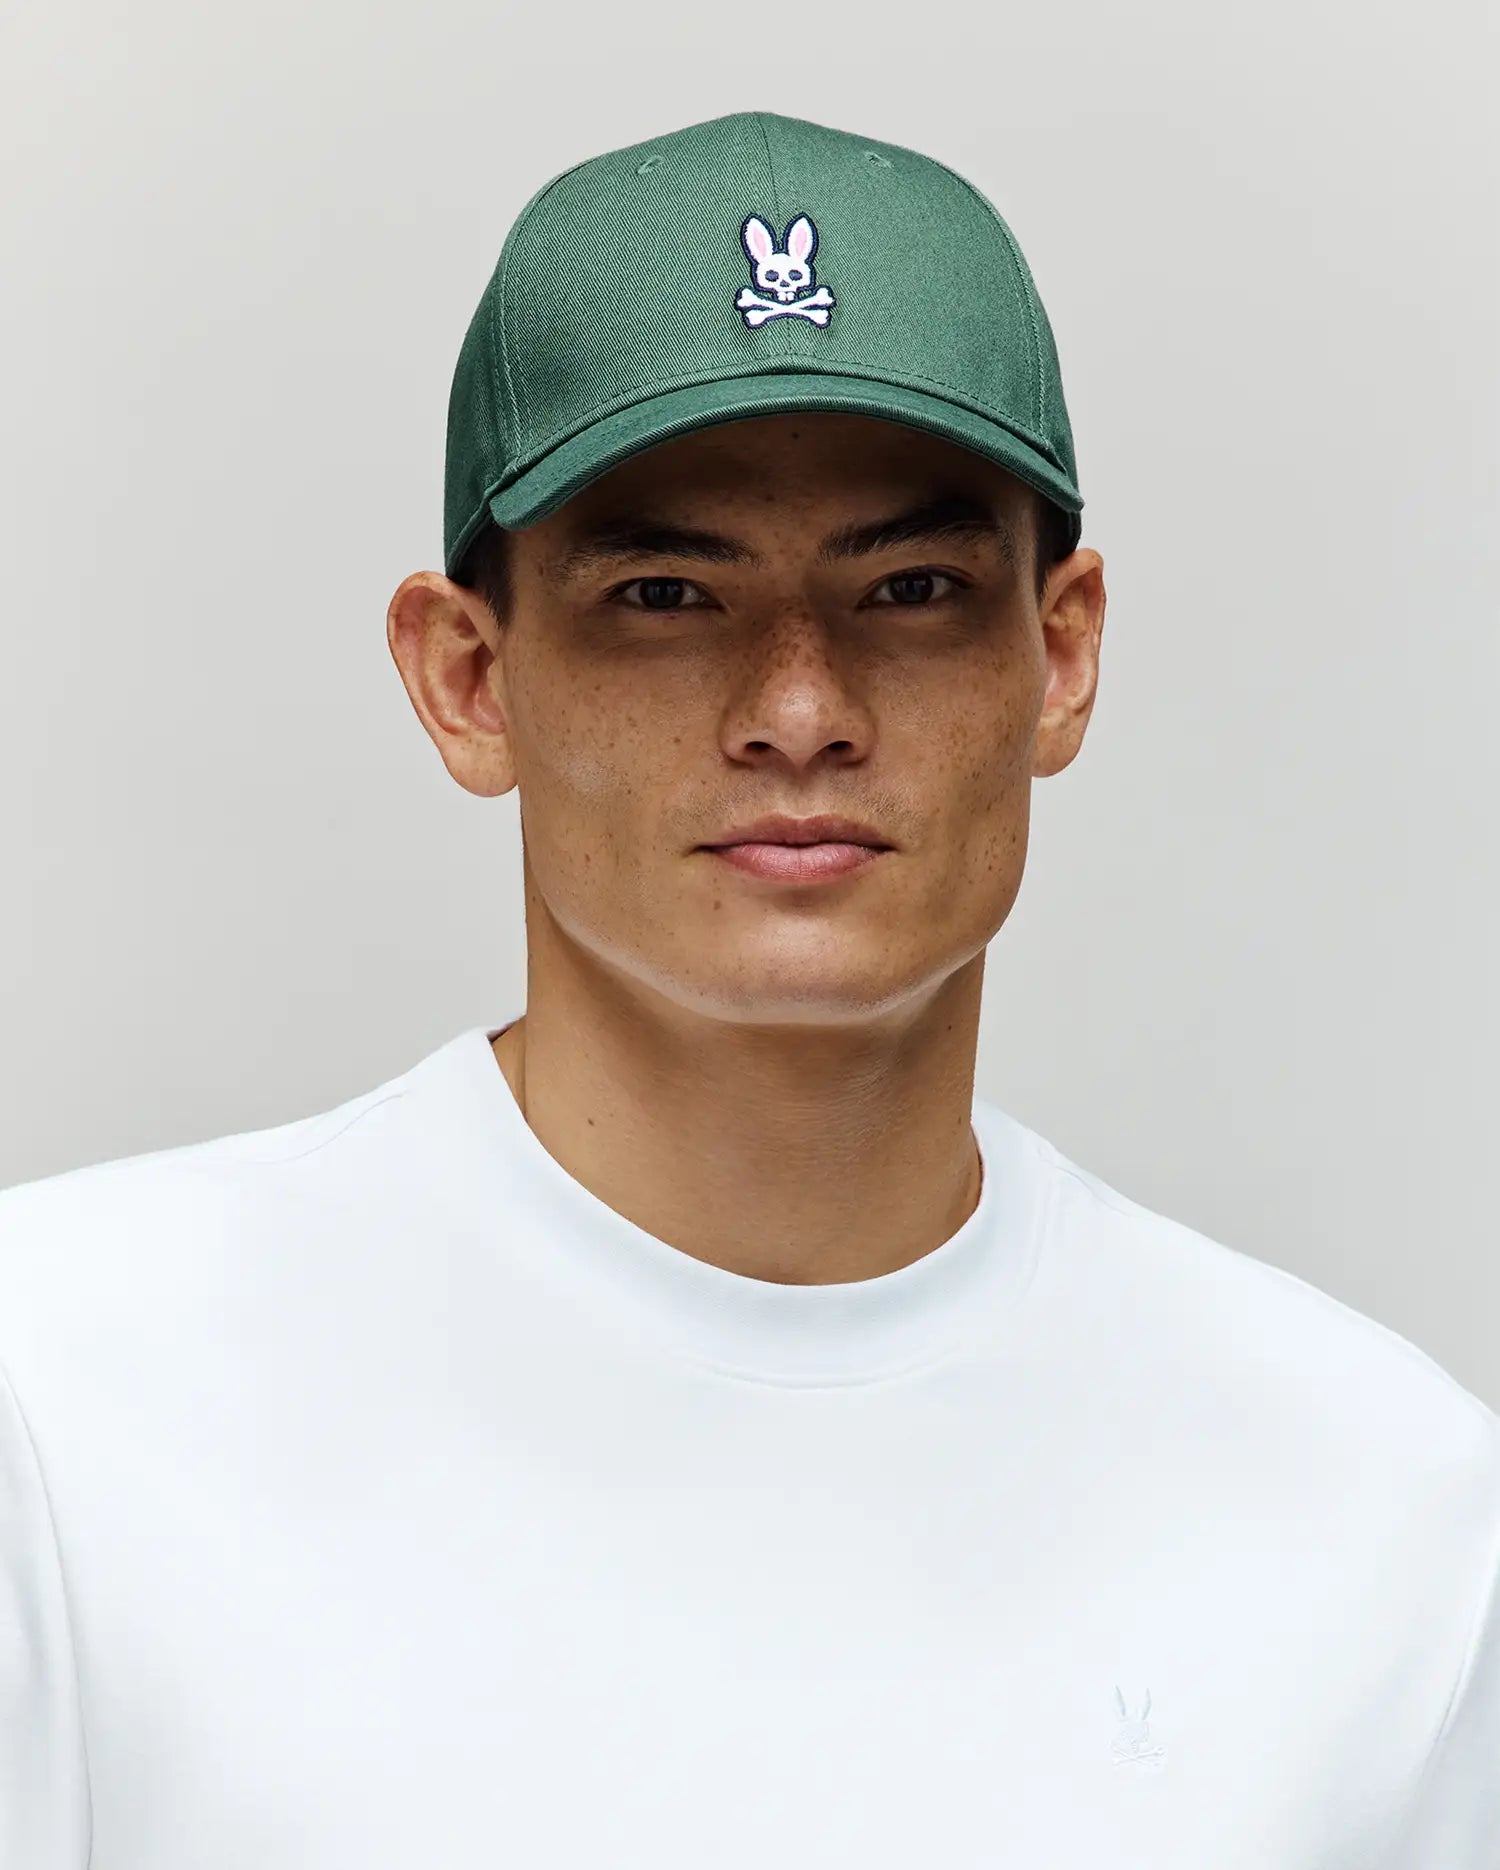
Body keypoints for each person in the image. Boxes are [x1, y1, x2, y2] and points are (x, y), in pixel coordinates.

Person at [1, 109, 1495, 1869]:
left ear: (1061, 653)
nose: (798, 709)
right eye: (665, 592)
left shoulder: (1389, 1512)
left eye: (913, 587)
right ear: (468, 676)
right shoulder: (66, 1403)